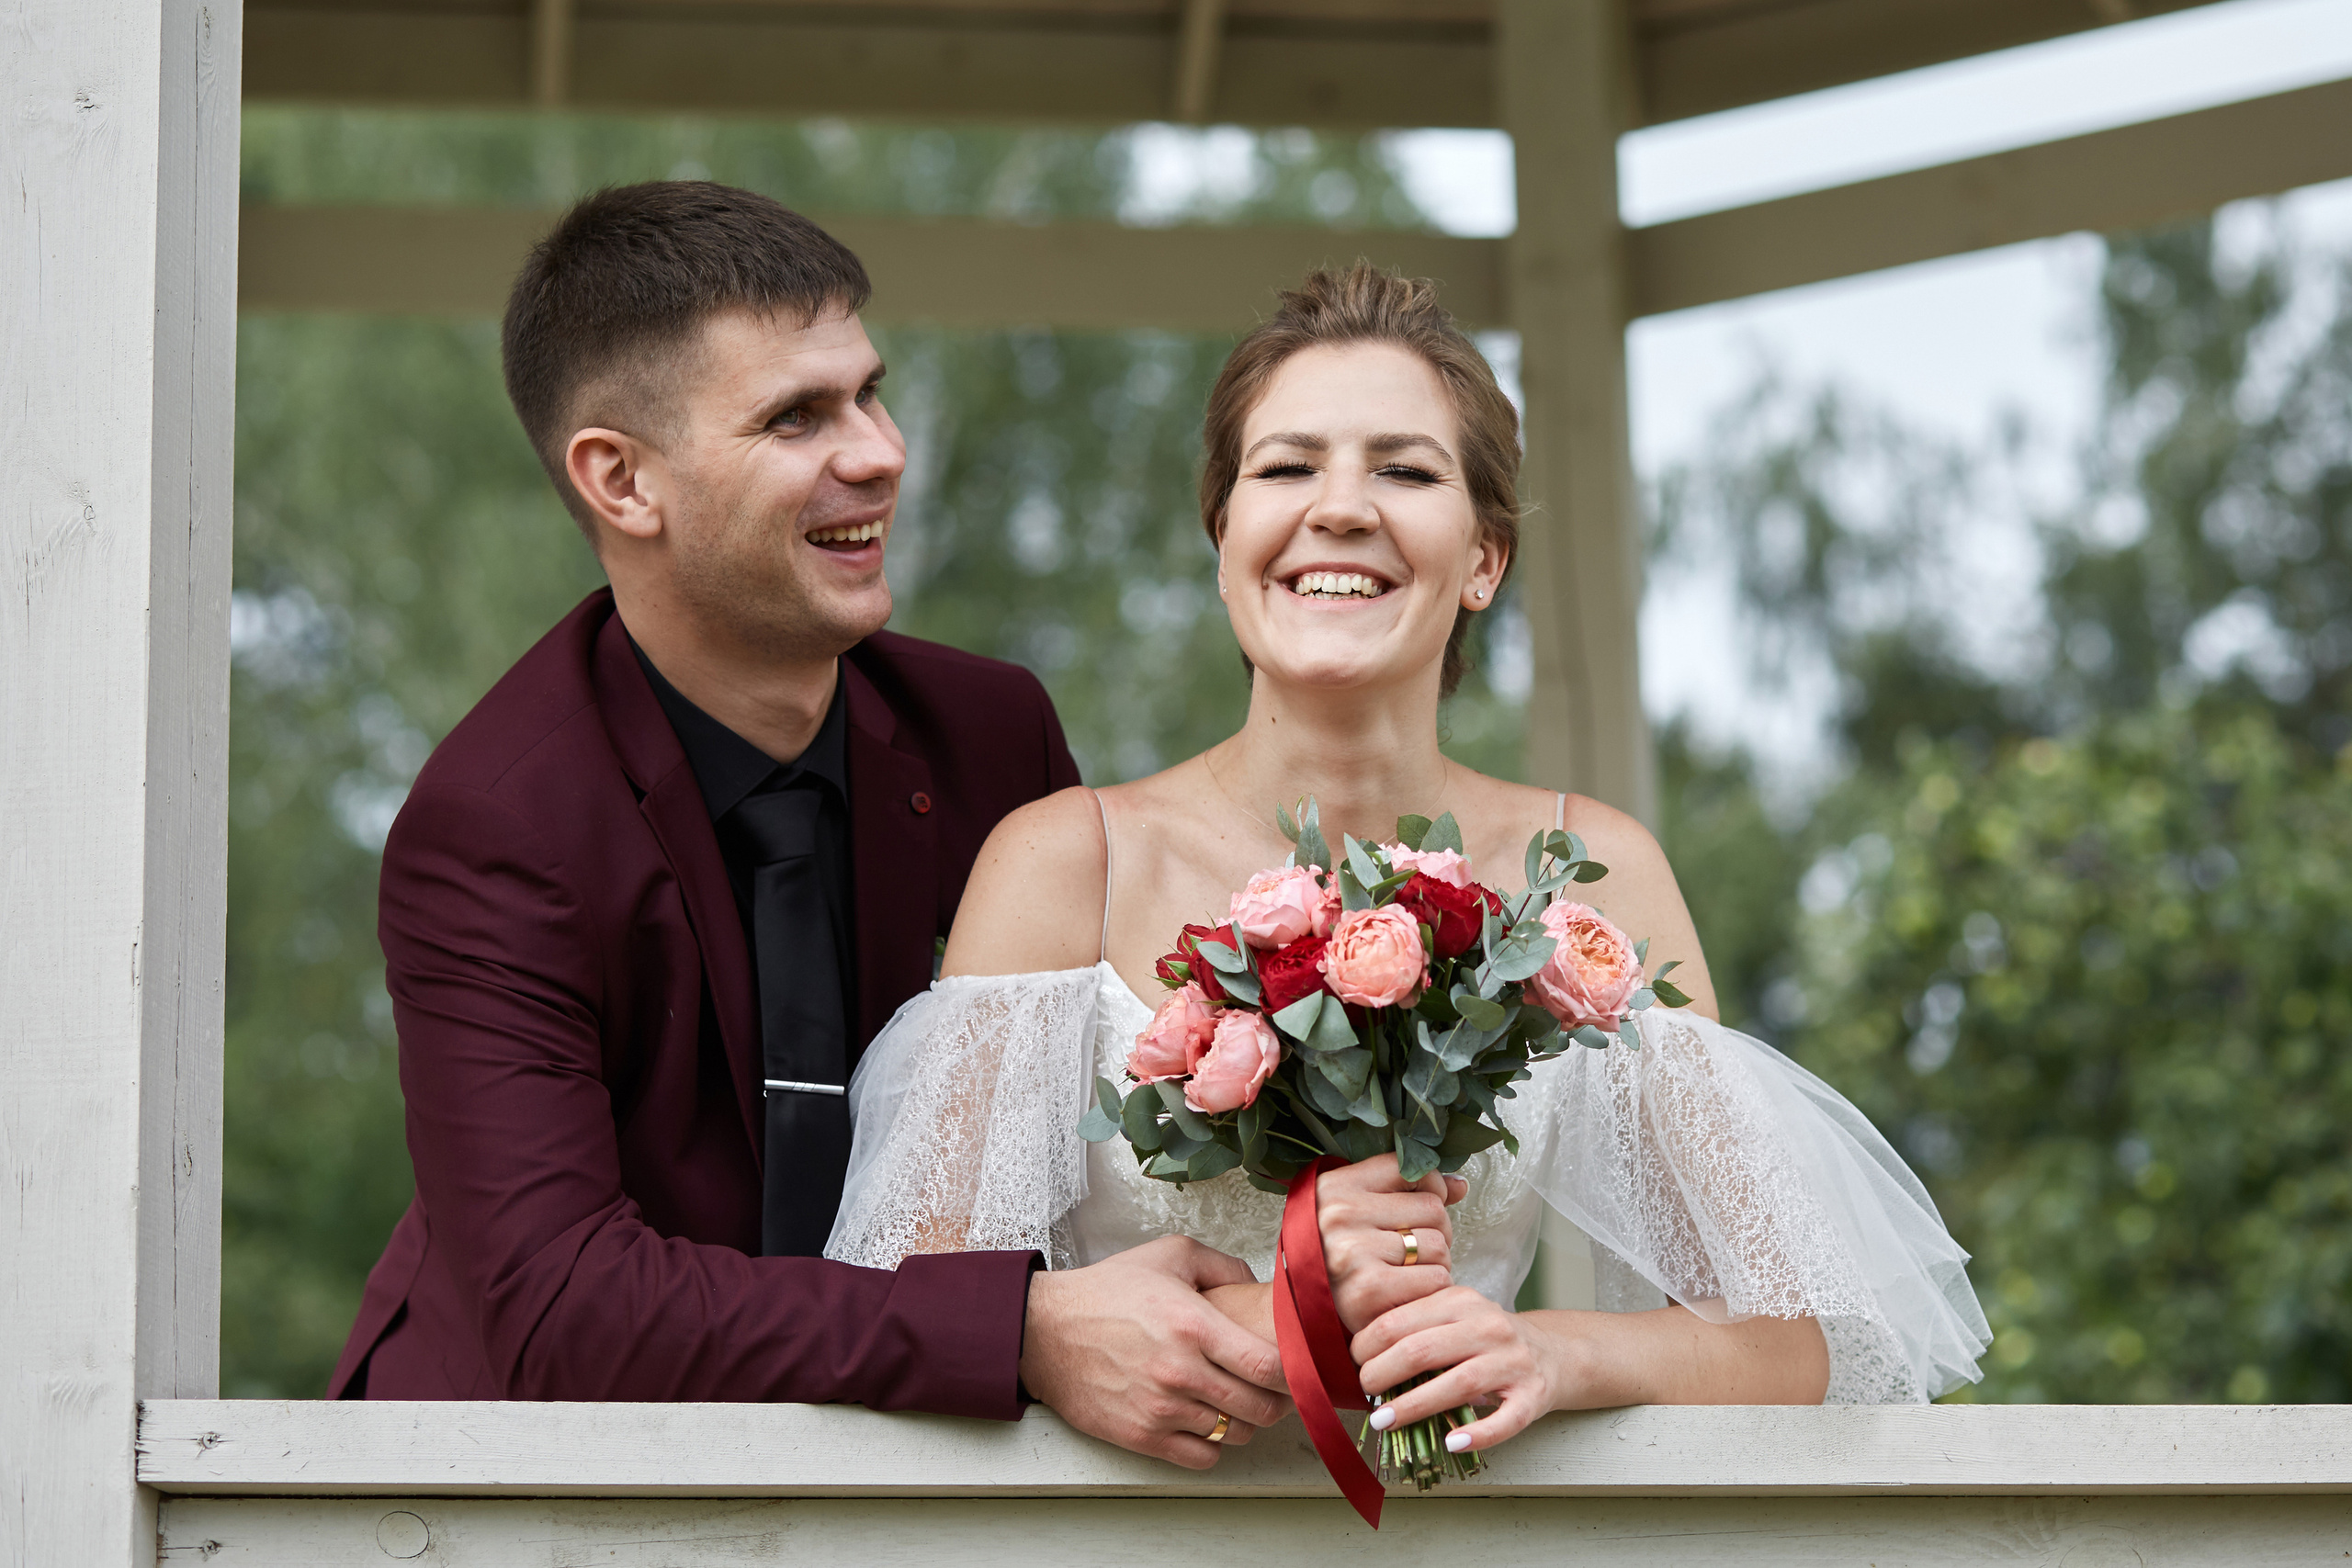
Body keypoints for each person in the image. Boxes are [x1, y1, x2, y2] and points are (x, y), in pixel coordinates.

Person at [328, 184, 1441, 1469]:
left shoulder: (991, 736)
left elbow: (1061, 1149)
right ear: (621, 480)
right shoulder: (494, 824)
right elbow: (562, 1305)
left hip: (900, 1478)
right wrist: (1012, 1330)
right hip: (514, 1489)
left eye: (870, 391)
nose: (881, 450)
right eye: (799, 416)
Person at [829, 264, 1995, 1452]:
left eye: (1404, 468)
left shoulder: (1590, 871)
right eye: (1286, 468)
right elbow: (927, 1322)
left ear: (1485, 558)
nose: (1339, 507)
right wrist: (1280, 1299)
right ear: (1224, 539)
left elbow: (1786, 1339)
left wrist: (1553, 1345)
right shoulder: (1066, 864)